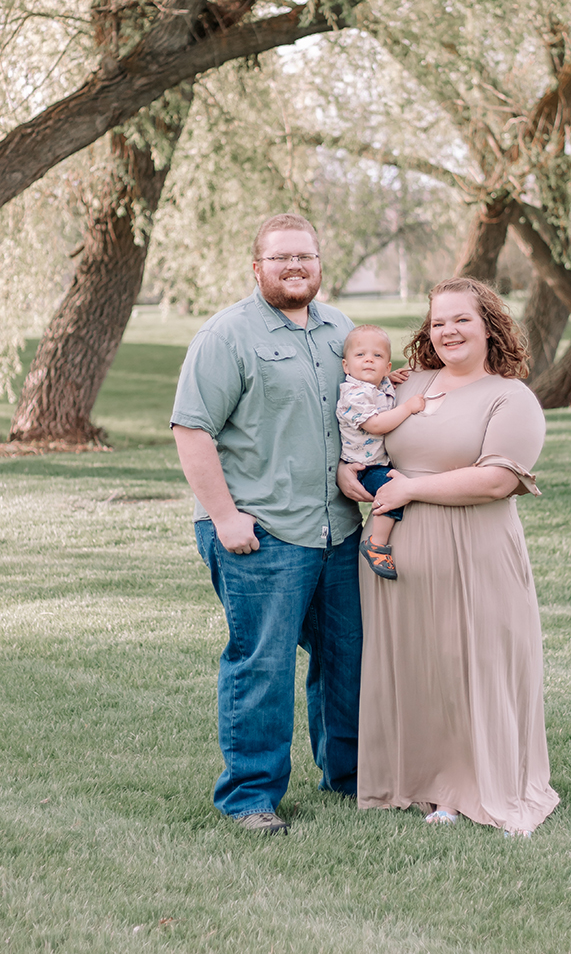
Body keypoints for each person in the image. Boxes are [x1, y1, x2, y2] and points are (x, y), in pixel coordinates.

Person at [342, 276, 559, 834]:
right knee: (415, 666)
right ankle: (415, 780)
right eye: (438, 321)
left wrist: (411, 488)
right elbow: (364, 438)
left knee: (473, 665)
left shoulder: (511, 398)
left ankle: (473, 787)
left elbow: (494, 481)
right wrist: (348, 472)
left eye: (461, 319)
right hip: (400, 552)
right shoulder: (407, 383)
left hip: (477, 554)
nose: (448, 331)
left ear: (489, 325)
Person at [171, 213, 364, 835]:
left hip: (337, 527)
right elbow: (191, 428)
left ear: (318, 262)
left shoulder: (342, 330)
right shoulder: (227, 334)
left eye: (304, 256)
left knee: (347, 659)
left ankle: (350, 776)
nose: (295, 266)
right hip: (260, 531)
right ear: (257, 267)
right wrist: (224, 518)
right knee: (264, 663)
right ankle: (250, 797)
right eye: (281, 258)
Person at [336, 325, 425, 580]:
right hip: (364, 467)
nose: (368, 360)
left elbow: (382, 385)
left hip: (377, 461)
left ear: (387, 366)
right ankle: (376, 543)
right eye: (360, 355)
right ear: (346, 366)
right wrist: (408, 407)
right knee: (392, 492)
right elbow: (375, 425)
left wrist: (390, 379)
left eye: (377, 356)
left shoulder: (376, 385)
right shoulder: (353, 393)